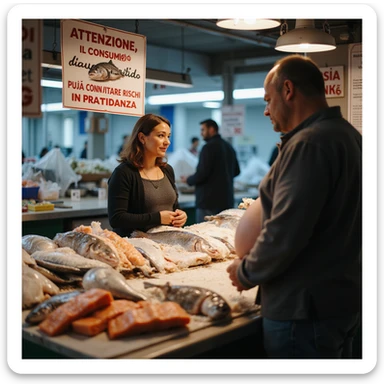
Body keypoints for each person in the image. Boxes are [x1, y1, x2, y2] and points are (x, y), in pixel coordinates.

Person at [227, 54, 362, 359]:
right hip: (338, 301)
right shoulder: (349, 136)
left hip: (303, 310)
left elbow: (286, 231)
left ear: (288, 90)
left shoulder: (309, 144)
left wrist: (246, 272)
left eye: (268, 99)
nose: (266, 110)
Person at [108, 113, 188, 237]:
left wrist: (181, 215)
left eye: (168, 136)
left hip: (166, 242)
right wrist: (158, 218)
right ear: (142, 138)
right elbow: (117, 218)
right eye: (161, 136)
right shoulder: (124, 173)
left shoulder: (167, 170)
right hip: (136, 246)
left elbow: (174, 206)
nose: (167, 142)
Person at [180, 119, 240, 223]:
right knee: (224, 235)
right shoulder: (229, 147)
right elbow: (237, 171)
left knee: (205, 235)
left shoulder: (208, 148)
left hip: (208, 203)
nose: (201, 133)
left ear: (211, 129)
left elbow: (202, 174)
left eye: (203, 130)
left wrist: (188, 179)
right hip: (226, 201)